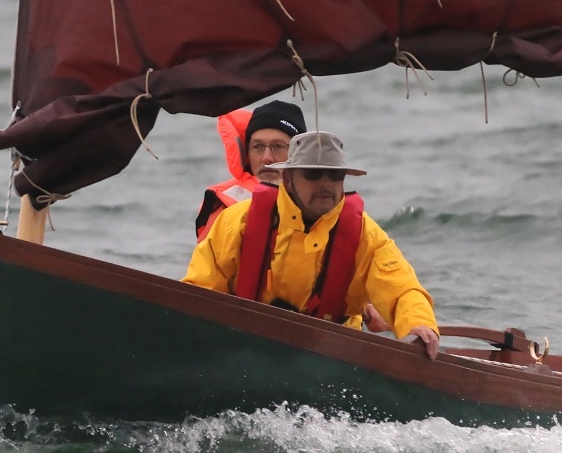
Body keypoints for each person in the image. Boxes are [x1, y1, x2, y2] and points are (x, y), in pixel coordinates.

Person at [183, 131, 440, 357]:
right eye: (314, 173)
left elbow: (401, 287)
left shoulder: (366, 235)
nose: (326, 183)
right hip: (245, 347)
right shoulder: (237, 222)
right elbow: (199, 291)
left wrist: (418, 324)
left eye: (335, 174)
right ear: (288, 179)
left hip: (332, 359)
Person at [194, 100, 307, 241]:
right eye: (257, 147)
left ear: (299, 152)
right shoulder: (224, 205)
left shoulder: (321, 197)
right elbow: (207, 262)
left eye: (277, 146)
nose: (267, 158)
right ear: (247, 152)